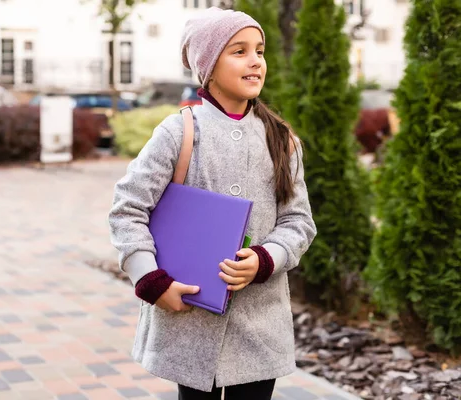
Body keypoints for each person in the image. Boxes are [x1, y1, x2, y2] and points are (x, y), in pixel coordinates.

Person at [108, 6, 317, 400]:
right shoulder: (179, 132)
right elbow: (128, 208)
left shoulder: (282, 140)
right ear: (208, 65)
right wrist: (151, 280)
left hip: (260, 326)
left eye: (260, 50)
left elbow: (299, 221)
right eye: (238, 51)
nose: (255, 60)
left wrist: (267, 257)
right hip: (189, 320)